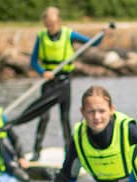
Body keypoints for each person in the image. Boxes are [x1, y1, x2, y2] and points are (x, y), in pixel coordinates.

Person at [29, 6, 102, 160]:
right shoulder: (42, 36)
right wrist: (43, 72)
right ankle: (36, 151)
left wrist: (103, 33)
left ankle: (69, 152)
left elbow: (93, 43)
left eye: (54, 23)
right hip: (49, 82)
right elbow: (33, 62)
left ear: (59, 21)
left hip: (64, 82)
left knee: (64, 118)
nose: (51, 27)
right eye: (48, 23)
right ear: (45, 23)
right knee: (44, 117)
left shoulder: (69, 34)